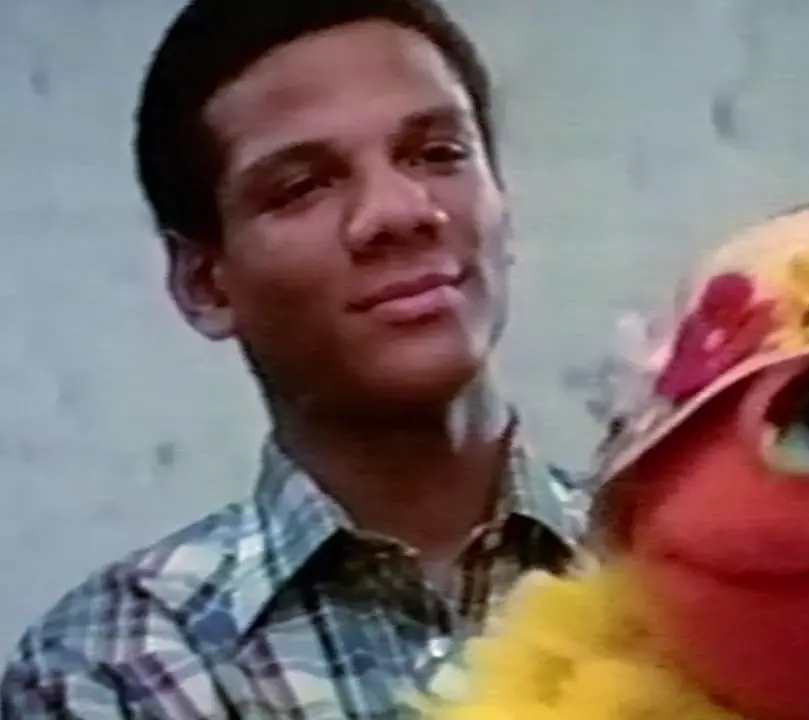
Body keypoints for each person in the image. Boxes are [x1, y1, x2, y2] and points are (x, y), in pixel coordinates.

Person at [0, 0, 588, 716]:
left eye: (438, 153)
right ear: (205, 283)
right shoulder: (112, 667)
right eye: (302, 186)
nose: (400, 211)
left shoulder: (676, 565)